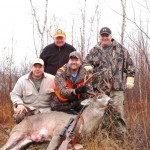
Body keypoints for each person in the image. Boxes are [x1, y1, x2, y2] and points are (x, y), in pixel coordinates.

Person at [86, 27, 135, 138]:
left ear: (111, 36)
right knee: (101, 115)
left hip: (116, 89)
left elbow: (131, 65)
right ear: (100, 37)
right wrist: (87, 66)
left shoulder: (121, 49)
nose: (105, 37)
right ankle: (102, 138)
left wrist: (130, 79)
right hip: (100, 90)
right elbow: (85, 62)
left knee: (117, 114)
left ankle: (123, 138)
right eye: (102, 35)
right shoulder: (94, 50)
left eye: (106, 35)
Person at [10, 58, 55, 123]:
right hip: (29, 109)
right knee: (18, 116)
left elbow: (60, 92)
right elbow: (14, 94)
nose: (37, 69)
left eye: (40, 67)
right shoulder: (22, 80)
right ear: (32, 67)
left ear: (43, 68)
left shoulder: (52, 79)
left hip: (46, 110)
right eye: (35, 66)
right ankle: (22, 131)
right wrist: (19, 104)